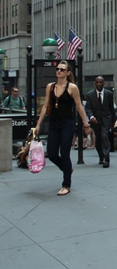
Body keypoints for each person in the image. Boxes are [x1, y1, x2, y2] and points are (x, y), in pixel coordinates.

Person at [34, 61, 90, 195]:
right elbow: (45, 106)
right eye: (57, 69)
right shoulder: (50, 87)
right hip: (54, 123)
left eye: (62, 69)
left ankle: (66, 185)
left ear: (68, 73)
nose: (59, 71)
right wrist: (38, 124)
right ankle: (67, 169)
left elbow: (79, 106)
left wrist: (86, 124)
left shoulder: (72, 88)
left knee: (65, 153)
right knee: (52, 153)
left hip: (67, 123)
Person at [85, 77, 116, 167]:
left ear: (103, 83)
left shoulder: (109, 94)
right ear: (95, 83)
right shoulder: (89, 95)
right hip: (95, 120)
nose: (99, 84)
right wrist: (91, 117)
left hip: (106, 119)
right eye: (97, 82)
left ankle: (107, 159)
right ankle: (101, 157)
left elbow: (111, 108)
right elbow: (88, 108)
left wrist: (113, 120)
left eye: (100, 82)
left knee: (104, 136)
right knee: (98, 139)